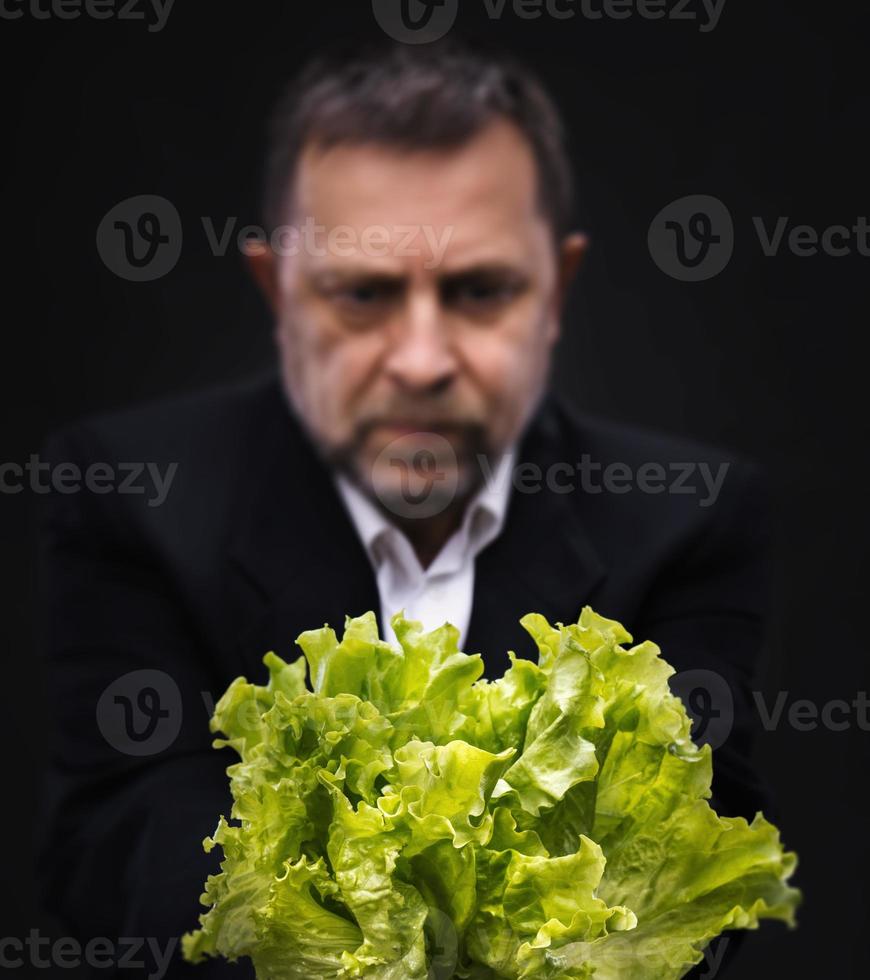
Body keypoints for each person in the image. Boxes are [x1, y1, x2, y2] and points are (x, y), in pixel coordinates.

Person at [36, 38, 773, 978]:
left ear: (558, 291)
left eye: (479, 291)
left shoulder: (687, 521)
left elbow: (699, 884)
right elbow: (119, 858)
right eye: (364, 295)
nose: (421, 359)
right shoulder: (131, 495)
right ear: (278, 292)